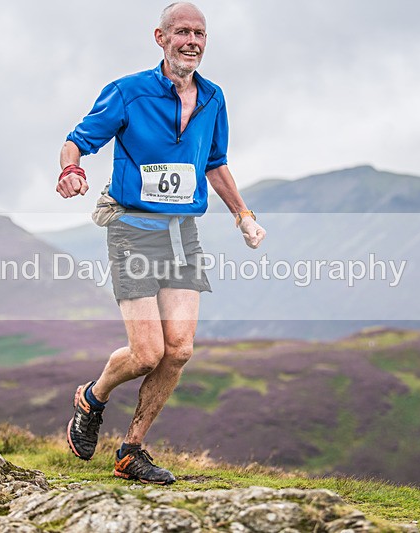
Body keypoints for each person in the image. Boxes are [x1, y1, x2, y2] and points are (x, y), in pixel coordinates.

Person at [57, 2, 265, 485]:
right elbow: (77, 139)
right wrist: (70, 169)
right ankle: (92, 397)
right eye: (182, 32)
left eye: (200, 33)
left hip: (183, 236)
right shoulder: (128, 92)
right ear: (161, 37)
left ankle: (132, 451)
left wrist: (244, 216)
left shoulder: (213, 98)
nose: (192, 41)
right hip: (132, 230)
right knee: (147, 353)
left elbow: (215, 162)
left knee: (180, 350)